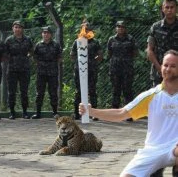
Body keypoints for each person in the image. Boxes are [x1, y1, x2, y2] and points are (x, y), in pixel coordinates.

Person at [79, 49, 178, 177]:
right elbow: (121, 113)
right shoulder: (151, 96)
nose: (167, 69)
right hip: (153, 149)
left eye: (173, 66)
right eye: (165, 65)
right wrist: (91, 111)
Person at [70, 21, 103, 120]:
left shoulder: (95, 42)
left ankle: (94, 113)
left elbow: (100, 55)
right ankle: (77, 113)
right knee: (79, 91)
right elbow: (72, 55)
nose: (85, 30)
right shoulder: (77, 41)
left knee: (92, 90)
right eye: (84, 28)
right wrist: (80, 62)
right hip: (79, 70)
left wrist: (92, 61)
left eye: (87, 29)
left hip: (91, 70)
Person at [107, 21, 138, 121]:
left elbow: (135, 53)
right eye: (118, 27)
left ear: (125, 28)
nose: (120, 28)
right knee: (116, 91)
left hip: (127, 69)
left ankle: (129, 114)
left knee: (127, 91)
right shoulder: (111, 39)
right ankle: (114, 114)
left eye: (122, 27)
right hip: (115, 69)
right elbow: (109, 53)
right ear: (116, 28)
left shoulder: (131, 39)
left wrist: (126, 60)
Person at [31, 26, 62, 119]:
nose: (46, 34)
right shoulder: (38, 45)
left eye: (47, 33)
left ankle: (55, 112)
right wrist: (41, 64)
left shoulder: (56, 45)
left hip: (52, 72)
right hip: (41, 73)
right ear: (42, 34)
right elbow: (34, 57)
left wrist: (52, 64)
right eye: (44, 33)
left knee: (53, 93)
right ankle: (38, 113)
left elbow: (59, 58)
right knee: (39, 93)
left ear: (51, 34)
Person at [5, 20, 33, 119]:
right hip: (12, 69)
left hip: (24, 69)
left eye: (19, 27)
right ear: (13, 29)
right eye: (16, 27)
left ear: (22, 29)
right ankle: (12, 112)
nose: (17, 29)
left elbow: (31, 51)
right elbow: (5, 53)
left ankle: (25, 112)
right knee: (11, 92)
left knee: (24, 92)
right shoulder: (9, 40)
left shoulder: (28, 40)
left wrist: (27, 57)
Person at [147, 0, 178, 87]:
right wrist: (159, 68)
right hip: (159, 72)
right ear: (163, 9)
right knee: (158, 99)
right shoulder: (155, 27)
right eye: (167, 7)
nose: (169, 10)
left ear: (176, 8)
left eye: (172, 7)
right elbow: (149, 50)